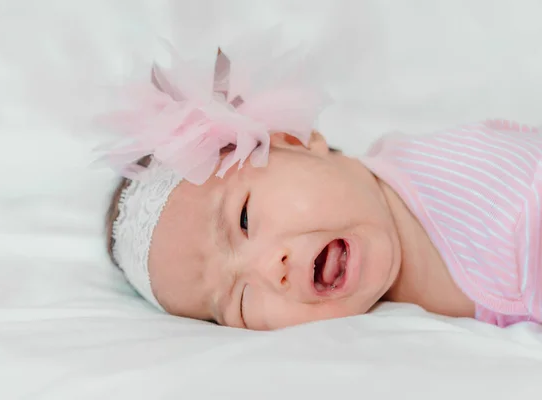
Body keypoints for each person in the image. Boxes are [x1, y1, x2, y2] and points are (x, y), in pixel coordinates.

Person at [101, 43, 541, 330]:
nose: (270, 269)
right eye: (239, 299)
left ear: (294, 139)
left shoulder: (506, 203)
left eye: (245, 219)